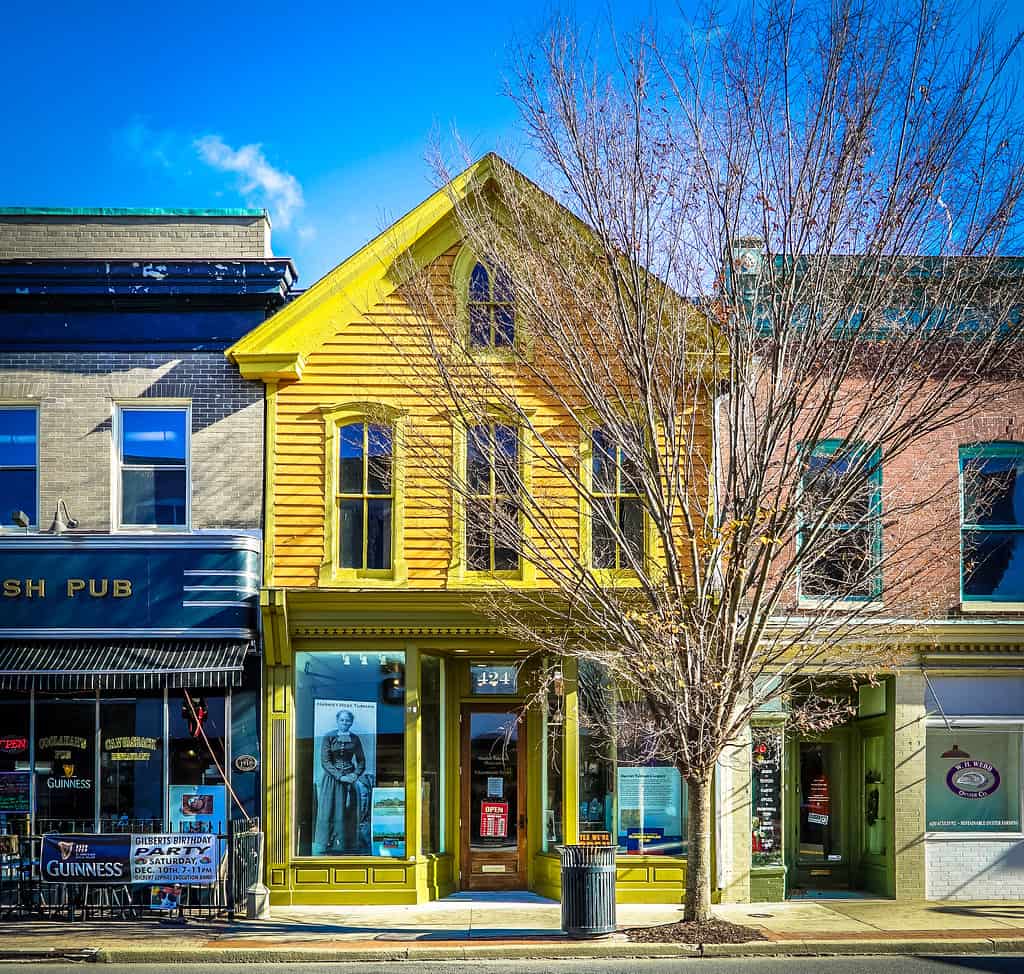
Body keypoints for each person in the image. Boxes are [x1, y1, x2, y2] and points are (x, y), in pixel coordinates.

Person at [313, 709, 366, 854]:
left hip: (350, 779)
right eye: (342, 720)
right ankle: (328, 843)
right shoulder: (328, 737)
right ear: (337, 721)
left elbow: (361, 761)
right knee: (330, 811)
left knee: (348, 811)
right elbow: (325, 761)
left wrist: (355, 775)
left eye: (348, 721)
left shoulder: (355, 739)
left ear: (351, 722)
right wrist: (339, 776)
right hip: (332, 780)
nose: (345, 723)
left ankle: (347, 844)